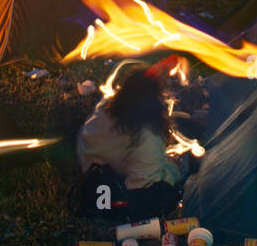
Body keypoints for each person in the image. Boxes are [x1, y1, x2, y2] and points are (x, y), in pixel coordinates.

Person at [77, 69, 183, 215]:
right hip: (111, 187)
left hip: (90, 167)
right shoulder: (148, 137)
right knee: (176, 173)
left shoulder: (105, 107)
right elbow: (142, 184)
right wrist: (174, 169)